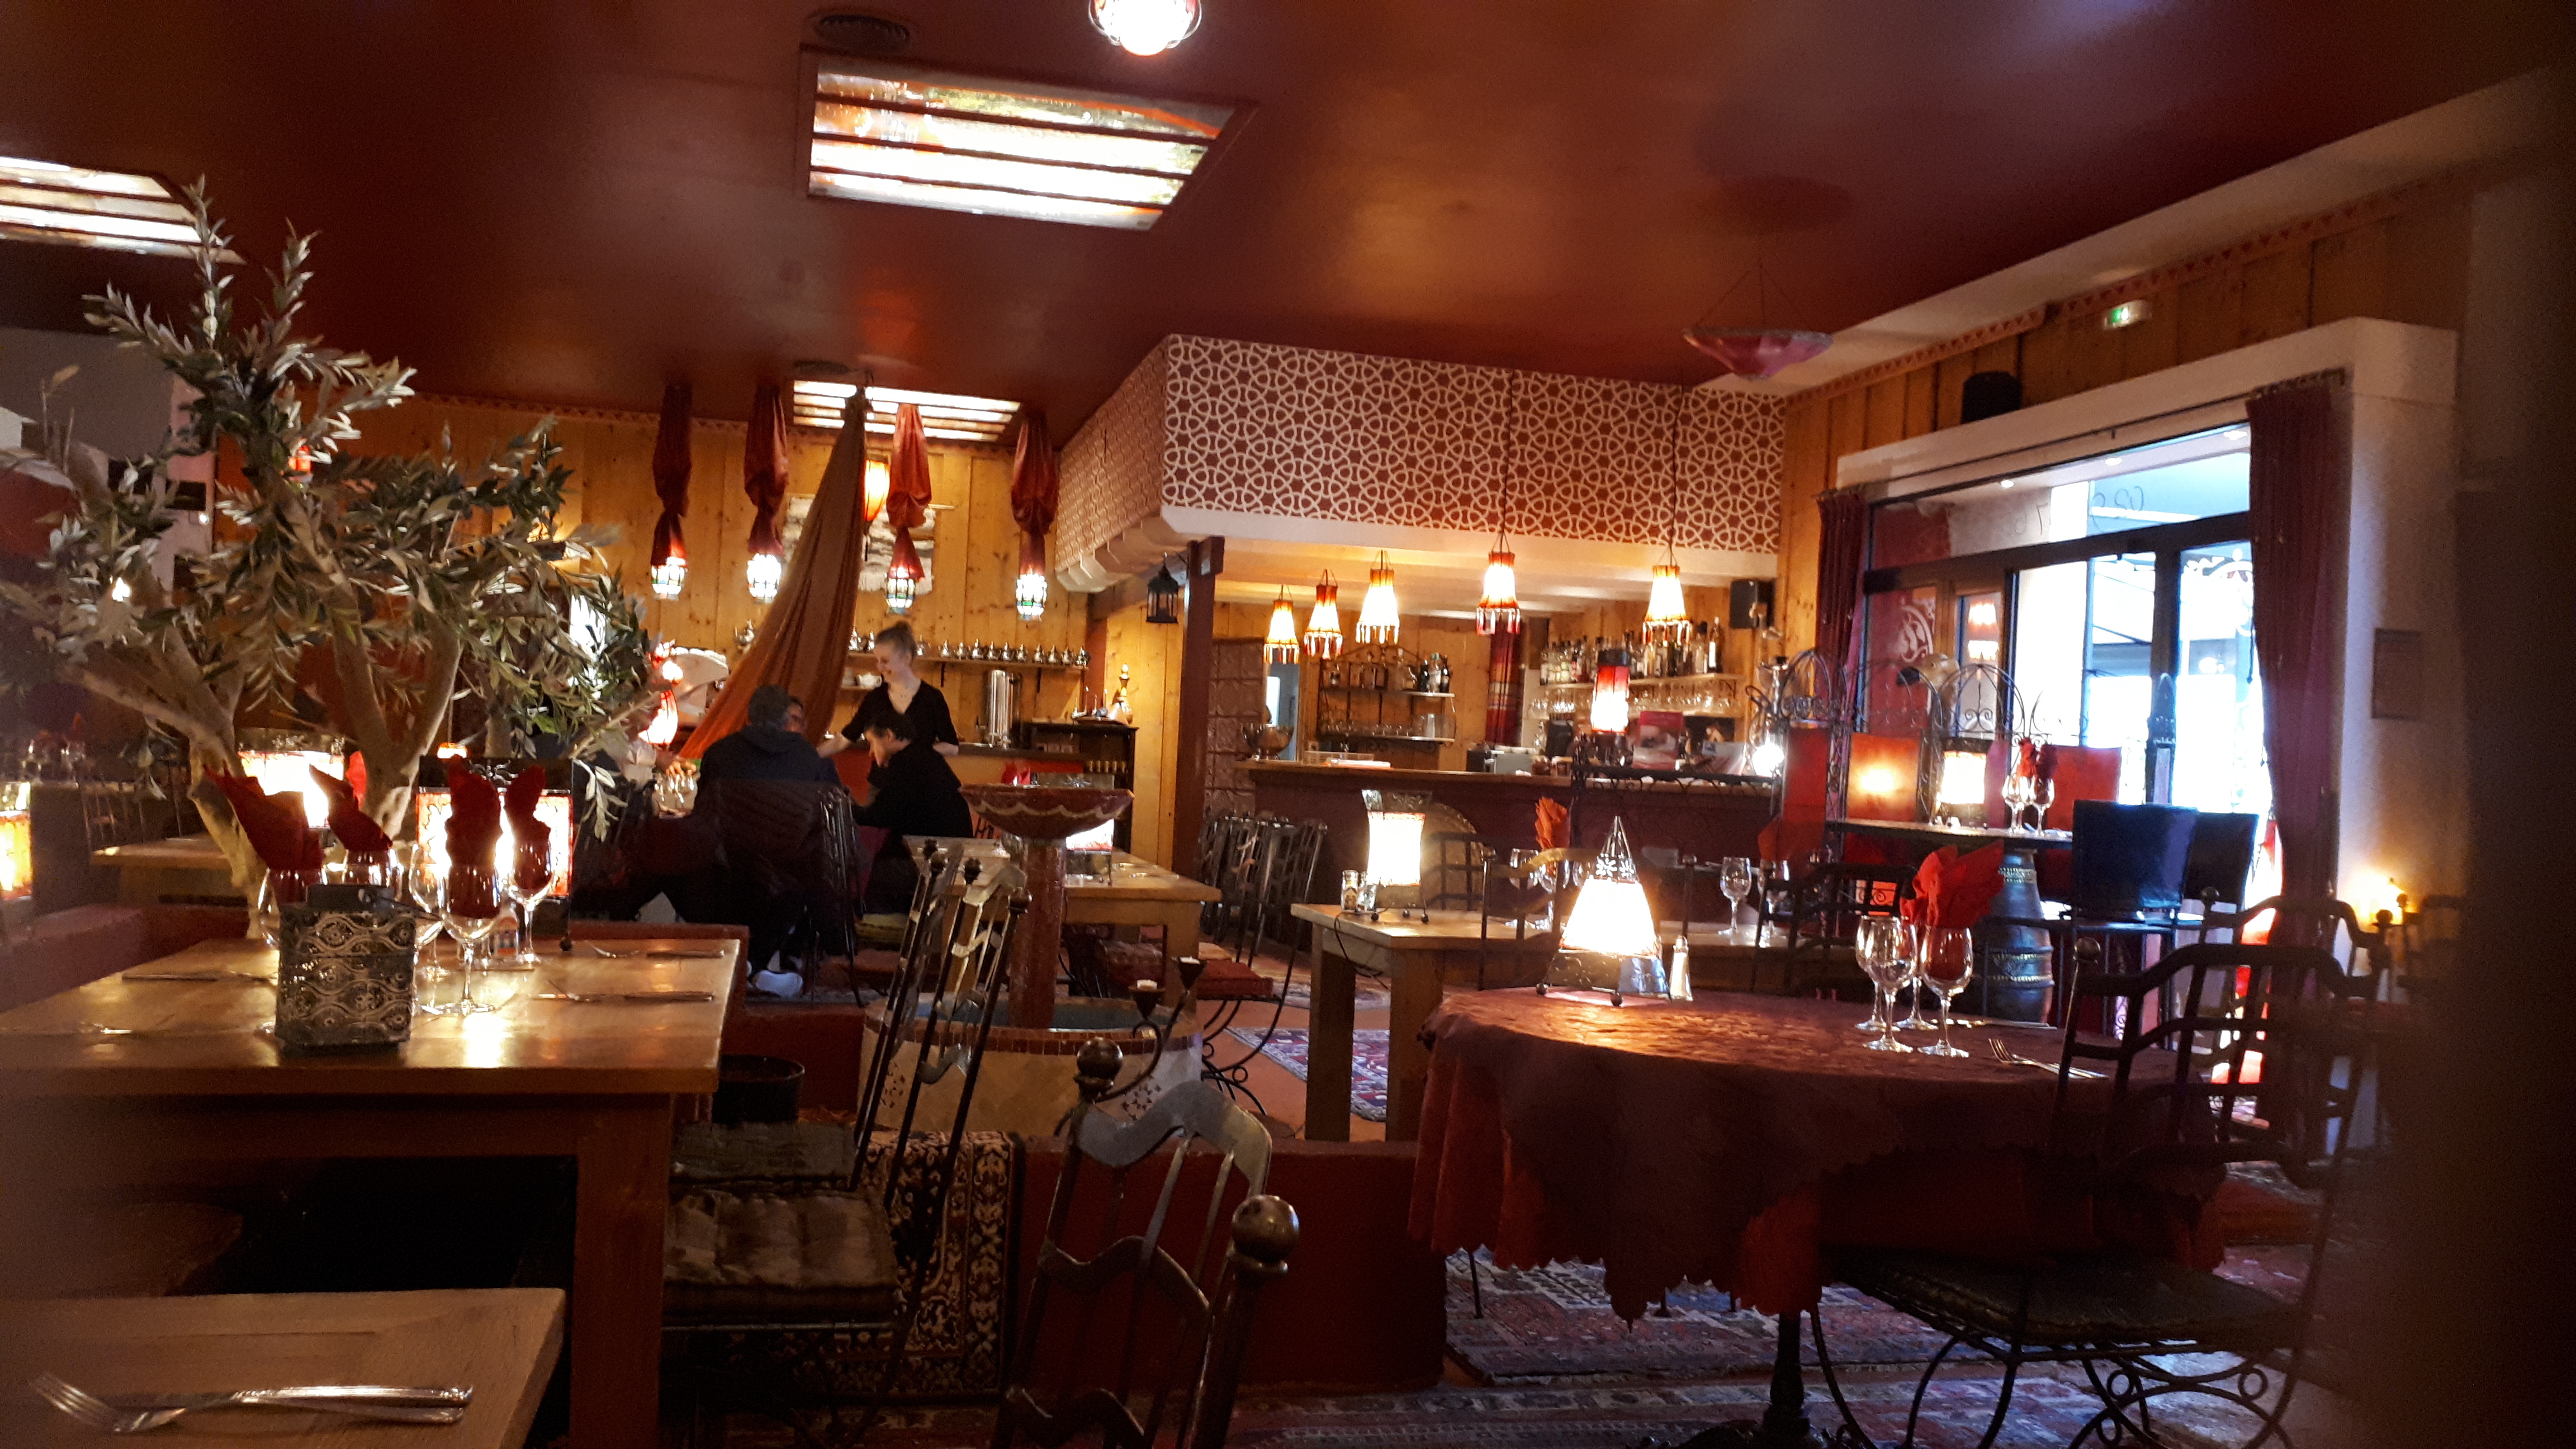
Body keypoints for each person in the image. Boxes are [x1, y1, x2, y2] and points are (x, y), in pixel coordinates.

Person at [850, 708, 973, 912]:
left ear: (889, 736)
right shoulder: (926, 758)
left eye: (873, 743)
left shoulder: (906, 763)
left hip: (934, 866)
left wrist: (848, 810)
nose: (871, 752)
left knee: (860, 873)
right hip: (953, 862)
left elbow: (880, 816)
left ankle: (891, 927)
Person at [823, 619, 960, 759]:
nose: (880, 667)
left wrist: (914, 754)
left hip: (920, 773)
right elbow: (843, 740)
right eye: (877, 661)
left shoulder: (932, 697)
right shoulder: (875, 698)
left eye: (885, 661)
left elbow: (952, 746)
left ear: (907, 658)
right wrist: (813, 755)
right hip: (883, 773)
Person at [695, 685, 839, 785]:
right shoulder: (808, 757)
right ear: (785, 720)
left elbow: (703, 809)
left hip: (734, 822)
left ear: (748, 717)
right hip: (788, 822)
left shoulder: (718, 753)